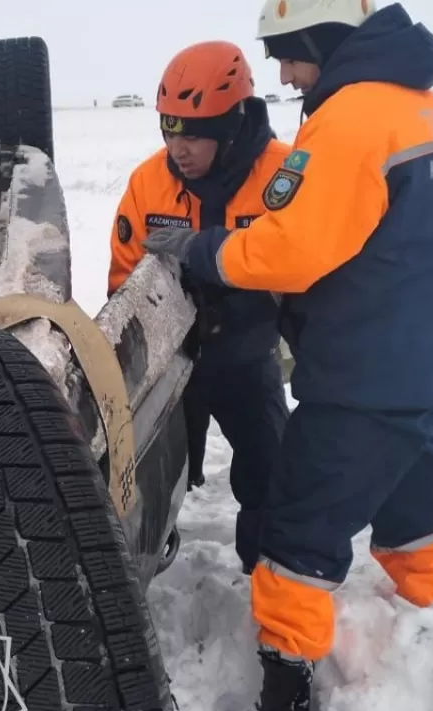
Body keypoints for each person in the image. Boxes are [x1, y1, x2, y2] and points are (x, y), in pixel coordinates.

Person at [141, 2, 433, 711]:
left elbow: (290, 251)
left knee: (296, 536)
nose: (280, 70)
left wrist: (204, 252)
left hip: (363, 379)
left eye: (284, 51)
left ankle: (287, 682)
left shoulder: (350, 122)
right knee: (416, 514)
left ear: (317, 37)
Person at [108, 40, 289, 577]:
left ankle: (270, 577)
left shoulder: (286, 179)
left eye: (193, 132)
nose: (177, 147)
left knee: (272, 471)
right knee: (148, 473)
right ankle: (147, 554)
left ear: (232, 123)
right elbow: (124, 279)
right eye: (168, 128)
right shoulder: (149, 183)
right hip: (171, 361)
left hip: (247, 355)